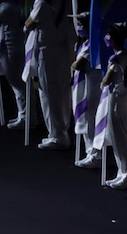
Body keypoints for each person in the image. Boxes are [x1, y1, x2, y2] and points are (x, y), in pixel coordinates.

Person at [23, 0, 71, 149]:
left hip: (47, 51)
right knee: (60, 92)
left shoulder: (42, 3)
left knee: (49, 94)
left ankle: (58, 135)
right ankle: (59, 131)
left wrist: (28, 22)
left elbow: (28, 25)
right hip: (61, 50)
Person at [96, 22, 127, 189]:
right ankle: (122, 172)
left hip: (119, 99)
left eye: (108, 36)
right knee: (116, 137)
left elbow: (107, 79)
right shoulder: (122, 55)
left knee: (121, 137)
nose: (106, 38)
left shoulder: (118, 57)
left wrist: (103, 81)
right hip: (116, 98)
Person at [67, 11, 94, 157]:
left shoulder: (92, 44)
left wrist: (72, 65)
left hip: (88, 88)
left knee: (89, 119)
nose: (78, 27)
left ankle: (94, 154)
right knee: (82, 118)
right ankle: (88, 151)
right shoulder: (82, 43)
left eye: (80, 24)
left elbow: (78, 64)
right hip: (79, 86)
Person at [0, 0, 23, 128]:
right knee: (15, 81)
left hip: (12, 45)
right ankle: (23, 114)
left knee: (17, 81)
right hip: (9, 44)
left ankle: (26, 116)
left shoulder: (8, 7)